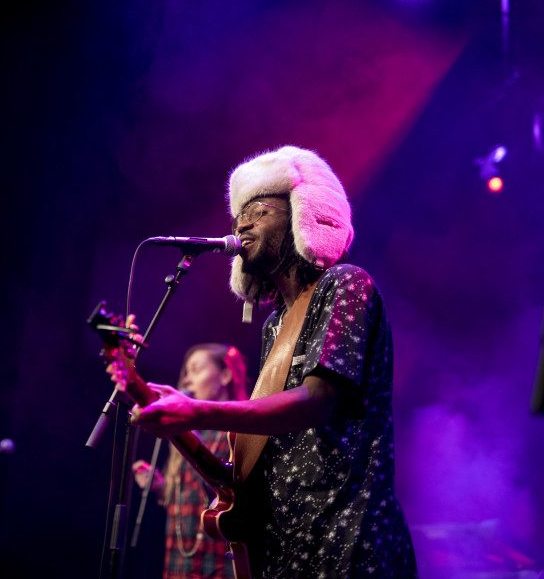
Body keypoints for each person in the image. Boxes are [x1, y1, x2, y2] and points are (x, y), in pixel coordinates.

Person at [109, 146, 417, 577]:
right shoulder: (275, 324)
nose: (242, 224)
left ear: (304, 217)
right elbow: (240, 476)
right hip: (286, 552)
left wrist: (195, 410)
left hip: (349, 543)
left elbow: (317, 401)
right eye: (239, 215)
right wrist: (158, 403)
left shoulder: (346, 285)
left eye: (260, 211)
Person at [130, 343, 249, 579]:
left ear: (225, 375)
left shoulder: (237, 435)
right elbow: (190, 496)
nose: (186, 380)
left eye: (195, 370)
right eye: (185, 372)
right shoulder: (188, 433)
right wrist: (161, 487)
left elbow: (232, 497)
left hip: (217, 564)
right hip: (180, 563)